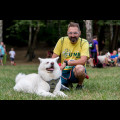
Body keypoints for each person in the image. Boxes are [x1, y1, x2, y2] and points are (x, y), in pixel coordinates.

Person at [52, 22, 89, 90]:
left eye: (75, 33)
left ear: (79, 33)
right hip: (63, 71)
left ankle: (79, 85)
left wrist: (67, 63)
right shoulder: (62, 40)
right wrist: (57, 68)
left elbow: (83, 61)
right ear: (67, 33)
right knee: (55, 86)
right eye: (70, 33)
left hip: (76, 71)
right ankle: (66, 83)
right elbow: (53, 59)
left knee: (80, 69)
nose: (72, 35)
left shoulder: (84, 42)